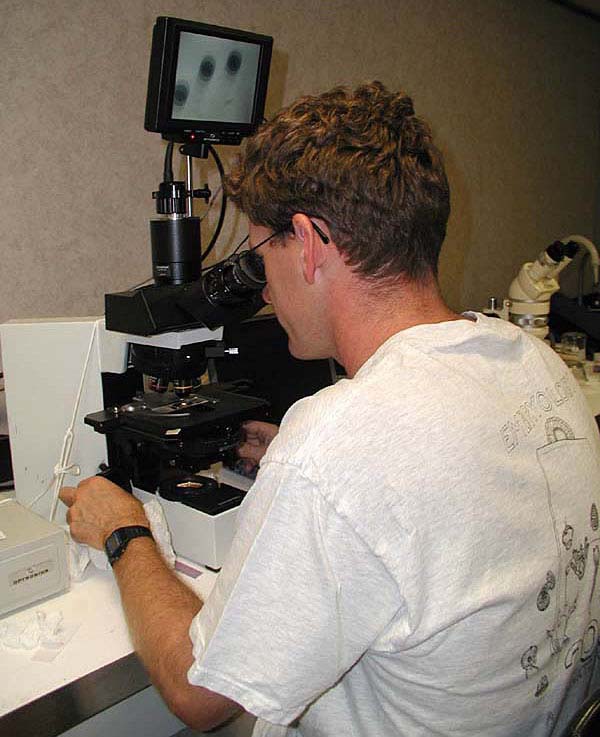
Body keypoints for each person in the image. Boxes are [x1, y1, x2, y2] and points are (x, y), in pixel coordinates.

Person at [60, 81, 600, 736]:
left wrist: (125, 528)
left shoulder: (344, 440)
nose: (264, 286)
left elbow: (199, 691)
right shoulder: (536, 362)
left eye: (262, 253)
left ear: (310, 243)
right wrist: (300, 471)